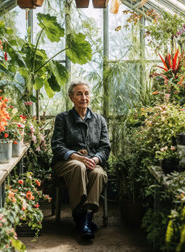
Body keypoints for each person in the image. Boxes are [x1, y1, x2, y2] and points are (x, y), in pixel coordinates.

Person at [51, 80, 110, 239]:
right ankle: (81, 218)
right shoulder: (63, 118)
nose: (84, 97)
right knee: (78, 167)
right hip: (66, 164)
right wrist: (77, 157)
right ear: (71, 97)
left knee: (98, 174)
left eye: (86, 93)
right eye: (79, 94)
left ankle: (85, 218)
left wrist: (96, 160)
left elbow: (105, 148)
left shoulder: (99, 120)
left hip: (92, 163)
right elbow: (57, 146)